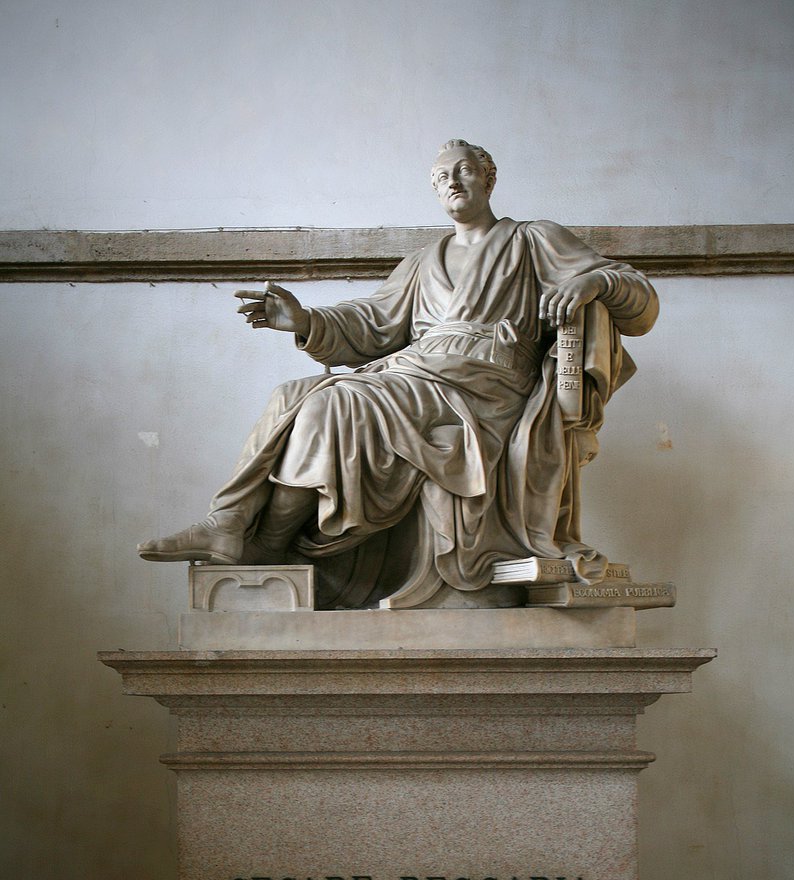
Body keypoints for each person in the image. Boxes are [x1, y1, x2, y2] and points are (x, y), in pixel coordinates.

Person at [138, 140, 658, 608]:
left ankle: (270, 544)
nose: (452, 181)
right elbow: (374, 321)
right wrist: (306, 321)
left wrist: (592, 284)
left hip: (486, 385)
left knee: (335, 402)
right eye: (441, 177)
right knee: (292, 394)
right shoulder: (422, 262)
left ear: (488, 178)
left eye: (463, 170)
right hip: (414, 372)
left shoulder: (533, 238)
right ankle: (228, 523)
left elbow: (639, 298)